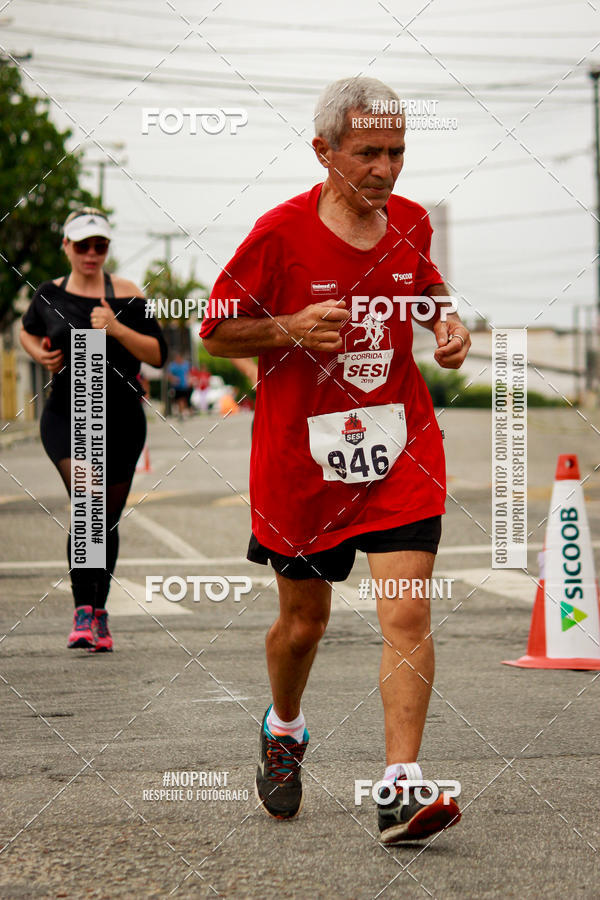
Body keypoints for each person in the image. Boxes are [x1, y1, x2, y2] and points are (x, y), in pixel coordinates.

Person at [201, 76, 471, 844]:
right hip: (303, 461)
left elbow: (430, 291)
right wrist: (286, 327)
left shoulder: (411, 222)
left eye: (397, 152)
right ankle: (284, 727)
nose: (387, 170)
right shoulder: (278, 234)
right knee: (303, 623)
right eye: (369, 154)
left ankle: (399, 788)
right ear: (323, 151)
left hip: (400, 445)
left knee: (408, 609)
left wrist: (448, 325)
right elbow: (214, 333)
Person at [20, 207, 167, 652]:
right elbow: (28, 331)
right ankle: (83, 611)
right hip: (68, 414)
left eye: (99, 245)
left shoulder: (127, 295)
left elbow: (158, 354)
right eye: (81, 244)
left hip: (121, 417)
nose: (90, 253)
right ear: (66, 246)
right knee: (88, 501)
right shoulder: (48, 295)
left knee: (105, 517)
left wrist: (117, 328)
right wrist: (37, 354)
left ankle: (99, 612)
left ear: (107, 248)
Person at [168, 352, 192, 418]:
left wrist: (189, 381)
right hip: (177, 386)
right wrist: (173, 379)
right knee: (179, 400)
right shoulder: (173, 365)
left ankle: (183, 412)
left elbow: (188, 374)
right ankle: (181, 413)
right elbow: (169, 375)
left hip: (185, 385)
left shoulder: (186, 365)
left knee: (184, 399)